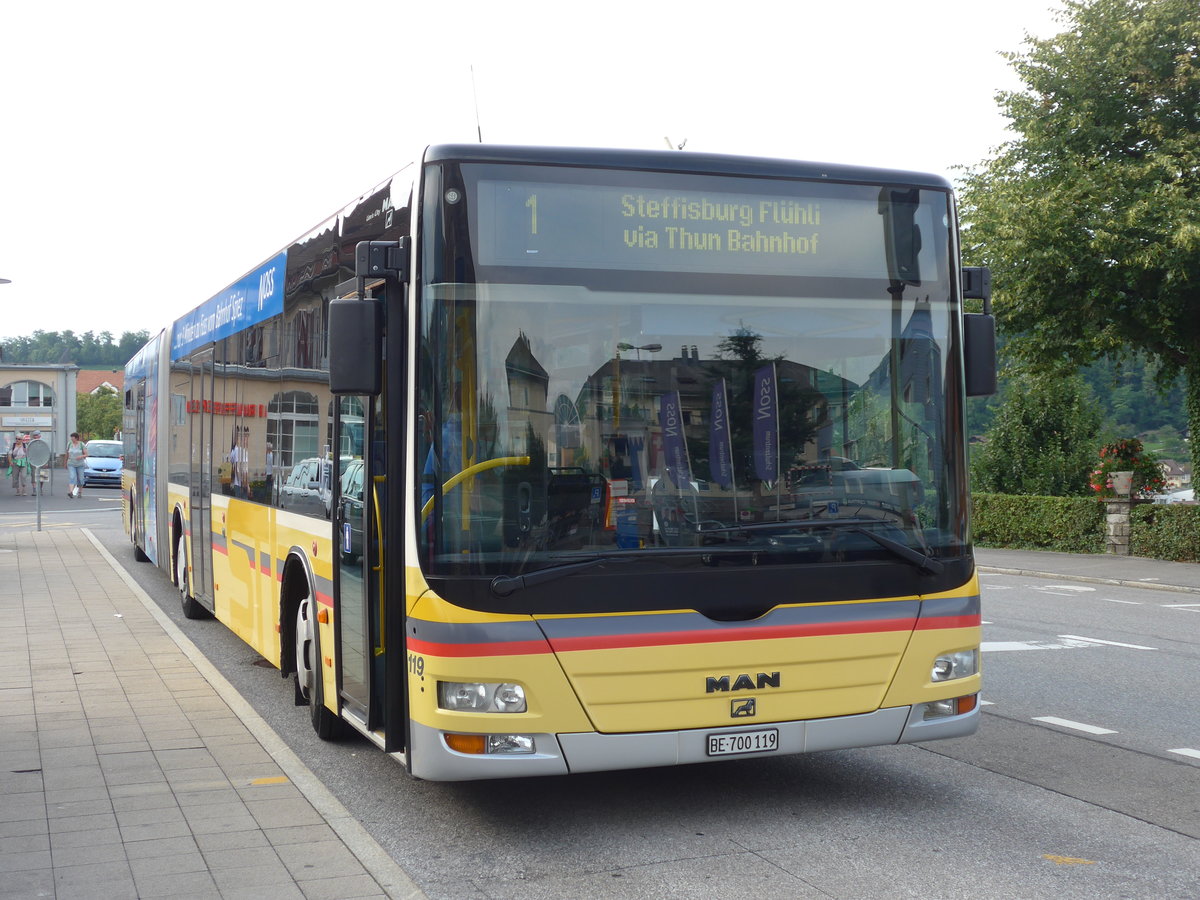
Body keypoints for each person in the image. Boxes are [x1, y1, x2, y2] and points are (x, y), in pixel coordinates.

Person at [66, 432, 88, 498]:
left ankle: (80, 492)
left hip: (80, 464)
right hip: (71, 463)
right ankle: (71, 492)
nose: (71, 439)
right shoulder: (69, 444)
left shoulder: (81, 444)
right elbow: (67, 453)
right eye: (71, 438)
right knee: (72, 477)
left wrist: (81, 456)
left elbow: (86, 454)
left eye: (73, 438)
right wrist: (65, 462)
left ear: (76, 438)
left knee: (81, 479)